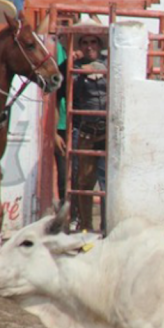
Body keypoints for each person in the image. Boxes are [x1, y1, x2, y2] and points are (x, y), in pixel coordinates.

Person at [66, 18, 109, 231]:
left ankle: (106, 227)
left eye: (94, 41)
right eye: (85, 42)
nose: (89, 46)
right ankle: (86, 226)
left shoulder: (111, 65)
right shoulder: (72, 68)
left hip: (107, 132)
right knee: (84, 182)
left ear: (100, 45)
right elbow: (60, 85)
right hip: (86, 132)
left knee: (106, 182)